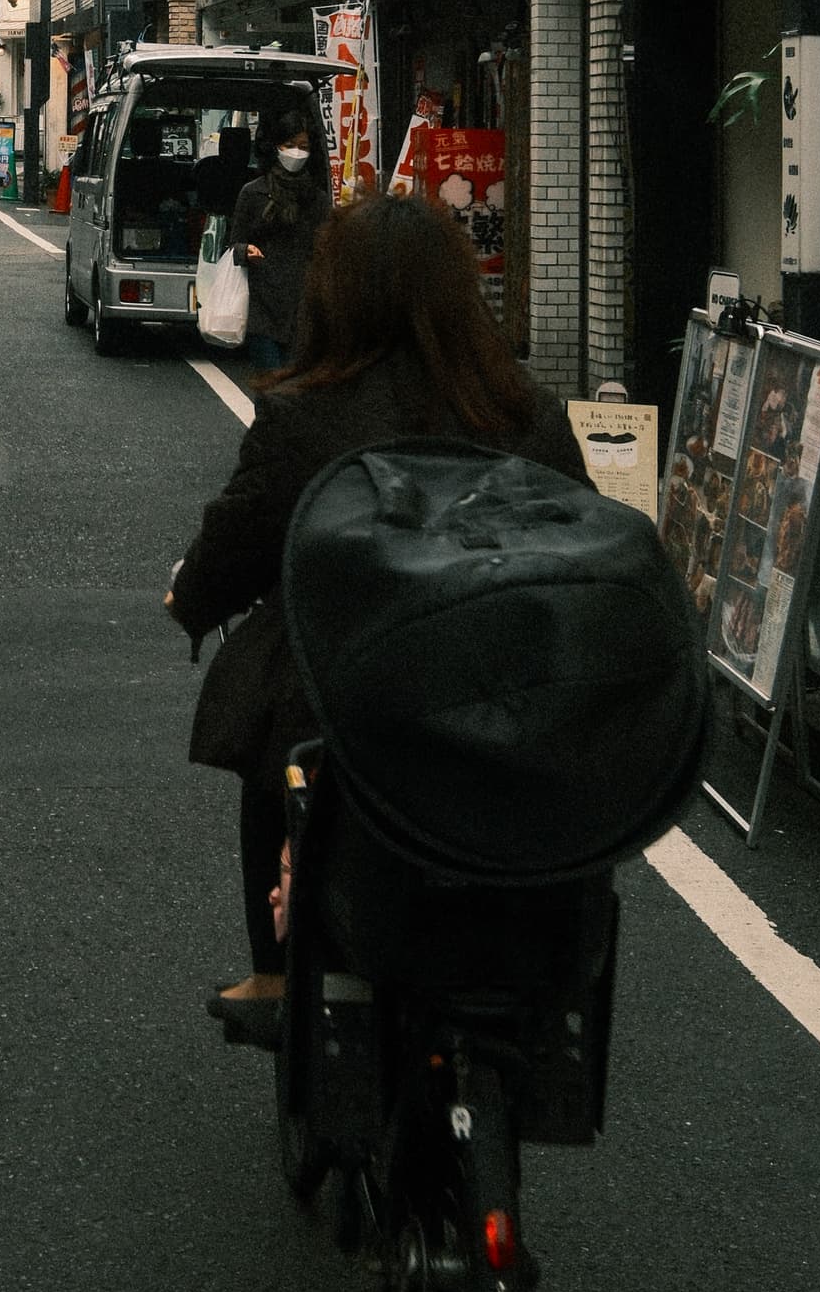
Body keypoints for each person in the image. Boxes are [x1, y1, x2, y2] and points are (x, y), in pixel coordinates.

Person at [167, 193, 589, 1048]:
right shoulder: (525, 410)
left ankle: (279, 973)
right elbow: (575, 533)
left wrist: (192, 596)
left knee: (270, 744)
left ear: (335, 295)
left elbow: (240, 540)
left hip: (348, 693)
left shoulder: (304, 411)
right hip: (496, 686)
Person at [227, 106, 333, 373]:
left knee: (294, 389)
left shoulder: (318, 199)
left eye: (303, 146)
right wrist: (245, 251)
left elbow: (327, 248)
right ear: (275, 147)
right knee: (270, 386)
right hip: (263, 307)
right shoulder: (253, 193)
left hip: (303, 308)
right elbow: (234, 245)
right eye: (289, 144)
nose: (296, 152)